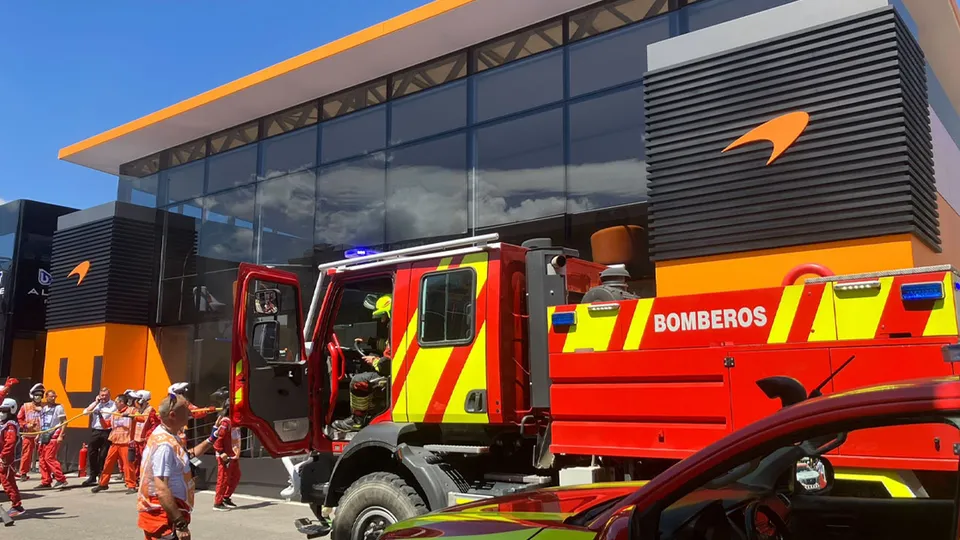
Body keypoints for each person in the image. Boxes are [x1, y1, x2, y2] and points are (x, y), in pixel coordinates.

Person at [138, 393, 219, 540]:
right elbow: (161, 489)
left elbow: (188, 456)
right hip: (164, 517)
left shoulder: (169, 435)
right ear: (173, 415)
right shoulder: (164, 446)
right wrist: (181, 525)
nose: (190, 413)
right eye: (186, 410)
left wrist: (212, 438)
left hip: (169, 513)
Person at [332, 294, 393, 432]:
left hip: (391, 374)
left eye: (383, 316)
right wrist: (368, 341)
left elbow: (386, 365)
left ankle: (357, 420)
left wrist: (374, 361)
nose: (382, 320)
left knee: (357, 381)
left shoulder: (395, 327)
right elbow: (388, 345)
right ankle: (371, 410)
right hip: (394, 371)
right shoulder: (397, 327)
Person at [93, 390, 138, 493]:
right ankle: (103, 484)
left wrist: (131, 416)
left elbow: (141, 418)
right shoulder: (114, 414)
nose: (115, 403)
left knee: (128, 465)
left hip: (126, 443)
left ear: (122, 402)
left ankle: (131, 485)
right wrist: (100, 416)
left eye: (117, 402)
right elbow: (106, 425)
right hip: (114, 443)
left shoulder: (132, 410)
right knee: (107, 463)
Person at [211, 389, 240, 511]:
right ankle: (218, 503)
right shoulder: (225, 422)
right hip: (225, 455)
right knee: (222, 478)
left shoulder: (232, 421)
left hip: (233, 453)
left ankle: (226, 497)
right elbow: (218, 439)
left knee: (235, 476)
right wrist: (221, 452)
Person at [82, 387, 117, 487]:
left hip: (107, 431)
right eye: (102, 395)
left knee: (103, 455)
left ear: (109, 395)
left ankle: (102, 476)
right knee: (92, 452)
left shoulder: (113, 405)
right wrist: (96, 403)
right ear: (99, 395)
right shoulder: (96, 405)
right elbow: (85, 413)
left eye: (106, 395)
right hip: (96, 431)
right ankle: (92, 476)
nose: (104, 397)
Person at [37, 390, 68, 489]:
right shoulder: (44, 409)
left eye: (54, 396)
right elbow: (41, 423)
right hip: (43, 435)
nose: (53, 398)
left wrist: (60, 435)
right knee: (42, 459)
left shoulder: (59, 408)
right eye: (51, 397)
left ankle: (61, 479)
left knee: (49, 458)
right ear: (46, 397)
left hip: (54, 435)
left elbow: (64, 422)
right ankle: (46, 481)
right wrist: (38, 435)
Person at [0, 398, 23, 517]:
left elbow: (10, 442)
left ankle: (17, 506)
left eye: (4, 410)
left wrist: (3, 457)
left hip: (7, 459)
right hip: (3, 457)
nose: (2, 413)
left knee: (8, 482)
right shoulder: (3, 424)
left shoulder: (10, 425)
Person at [16, 383, 44, 480]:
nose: (38, 397)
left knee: (43, 455)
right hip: (29, 434)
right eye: (36, 395)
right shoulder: (25, 406)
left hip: (42, 434)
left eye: (40, 395)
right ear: (32, 395)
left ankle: (45, 475)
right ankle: (23, 473)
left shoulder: (45, 407)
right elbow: (19, 418)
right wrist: (26, 425)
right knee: (26, 454)